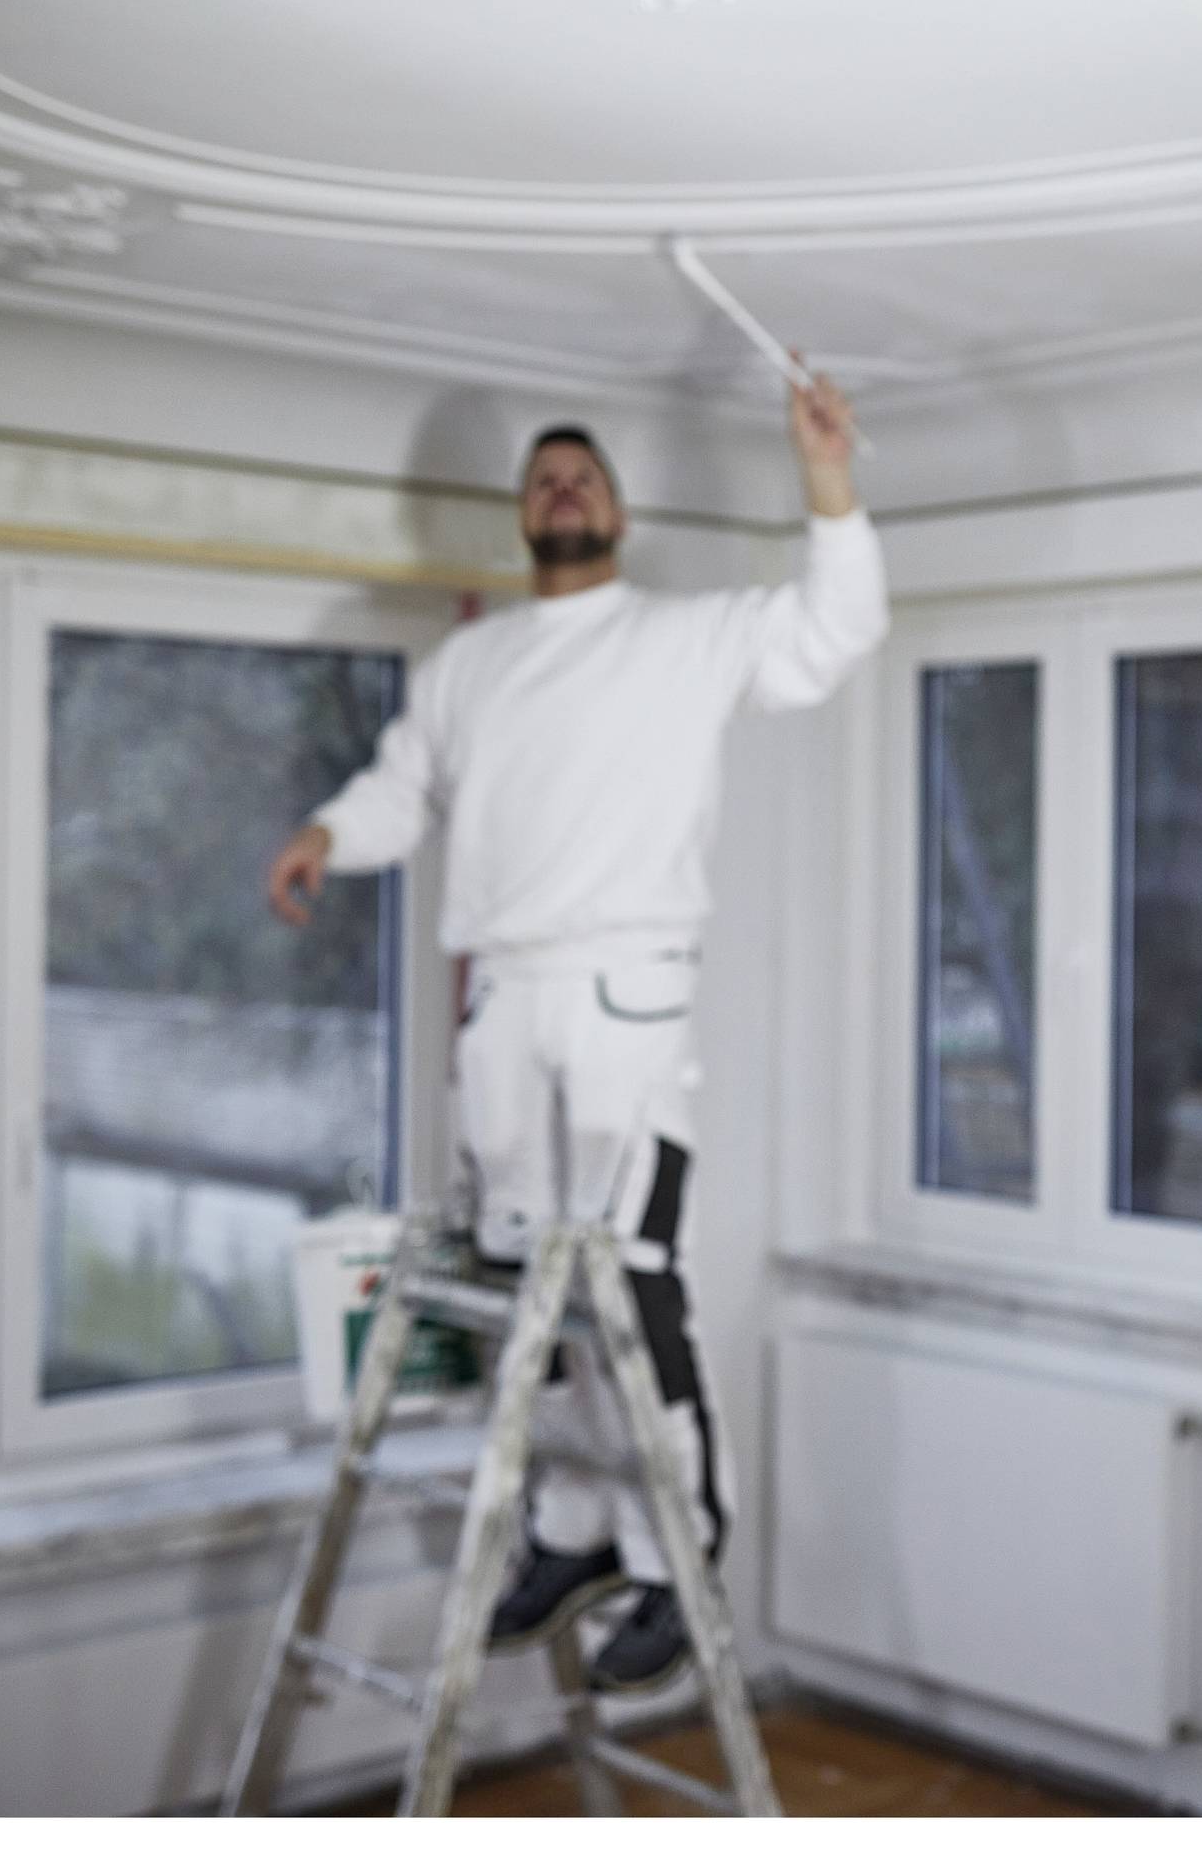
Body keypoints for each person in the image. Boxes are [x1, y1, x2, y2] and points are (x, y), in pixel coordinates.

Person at [265, 375, 884, 1694]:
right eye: (541, 476)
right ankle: (569, 1530)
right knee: (522, 1293)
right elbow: (400, 789)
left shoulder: (687, 635)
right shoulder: (467, 667)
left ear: (617, 509)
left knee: (630, 1283)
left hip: (625, 994)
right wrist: (328, 835)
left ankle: (678, 1561)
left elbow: (838, 626)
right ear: (519, 514)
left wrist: (826, 481)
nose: (562, 488)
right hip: (504, 1003)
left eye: (582, 473)